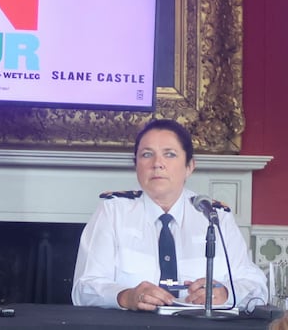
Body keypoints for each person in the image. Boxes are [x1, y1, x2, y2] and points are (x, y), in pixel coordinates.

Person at [72, 118, 267, 310]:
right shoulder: (113, 212)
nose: (157, 163)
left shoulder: (214, 216)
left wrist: (226, 294)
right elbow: (84, 288)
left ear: (189, 167)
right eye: (147, 154)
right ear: (136, 165)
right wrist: (126, 296)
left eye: (170, 154)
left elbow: (256, 287)